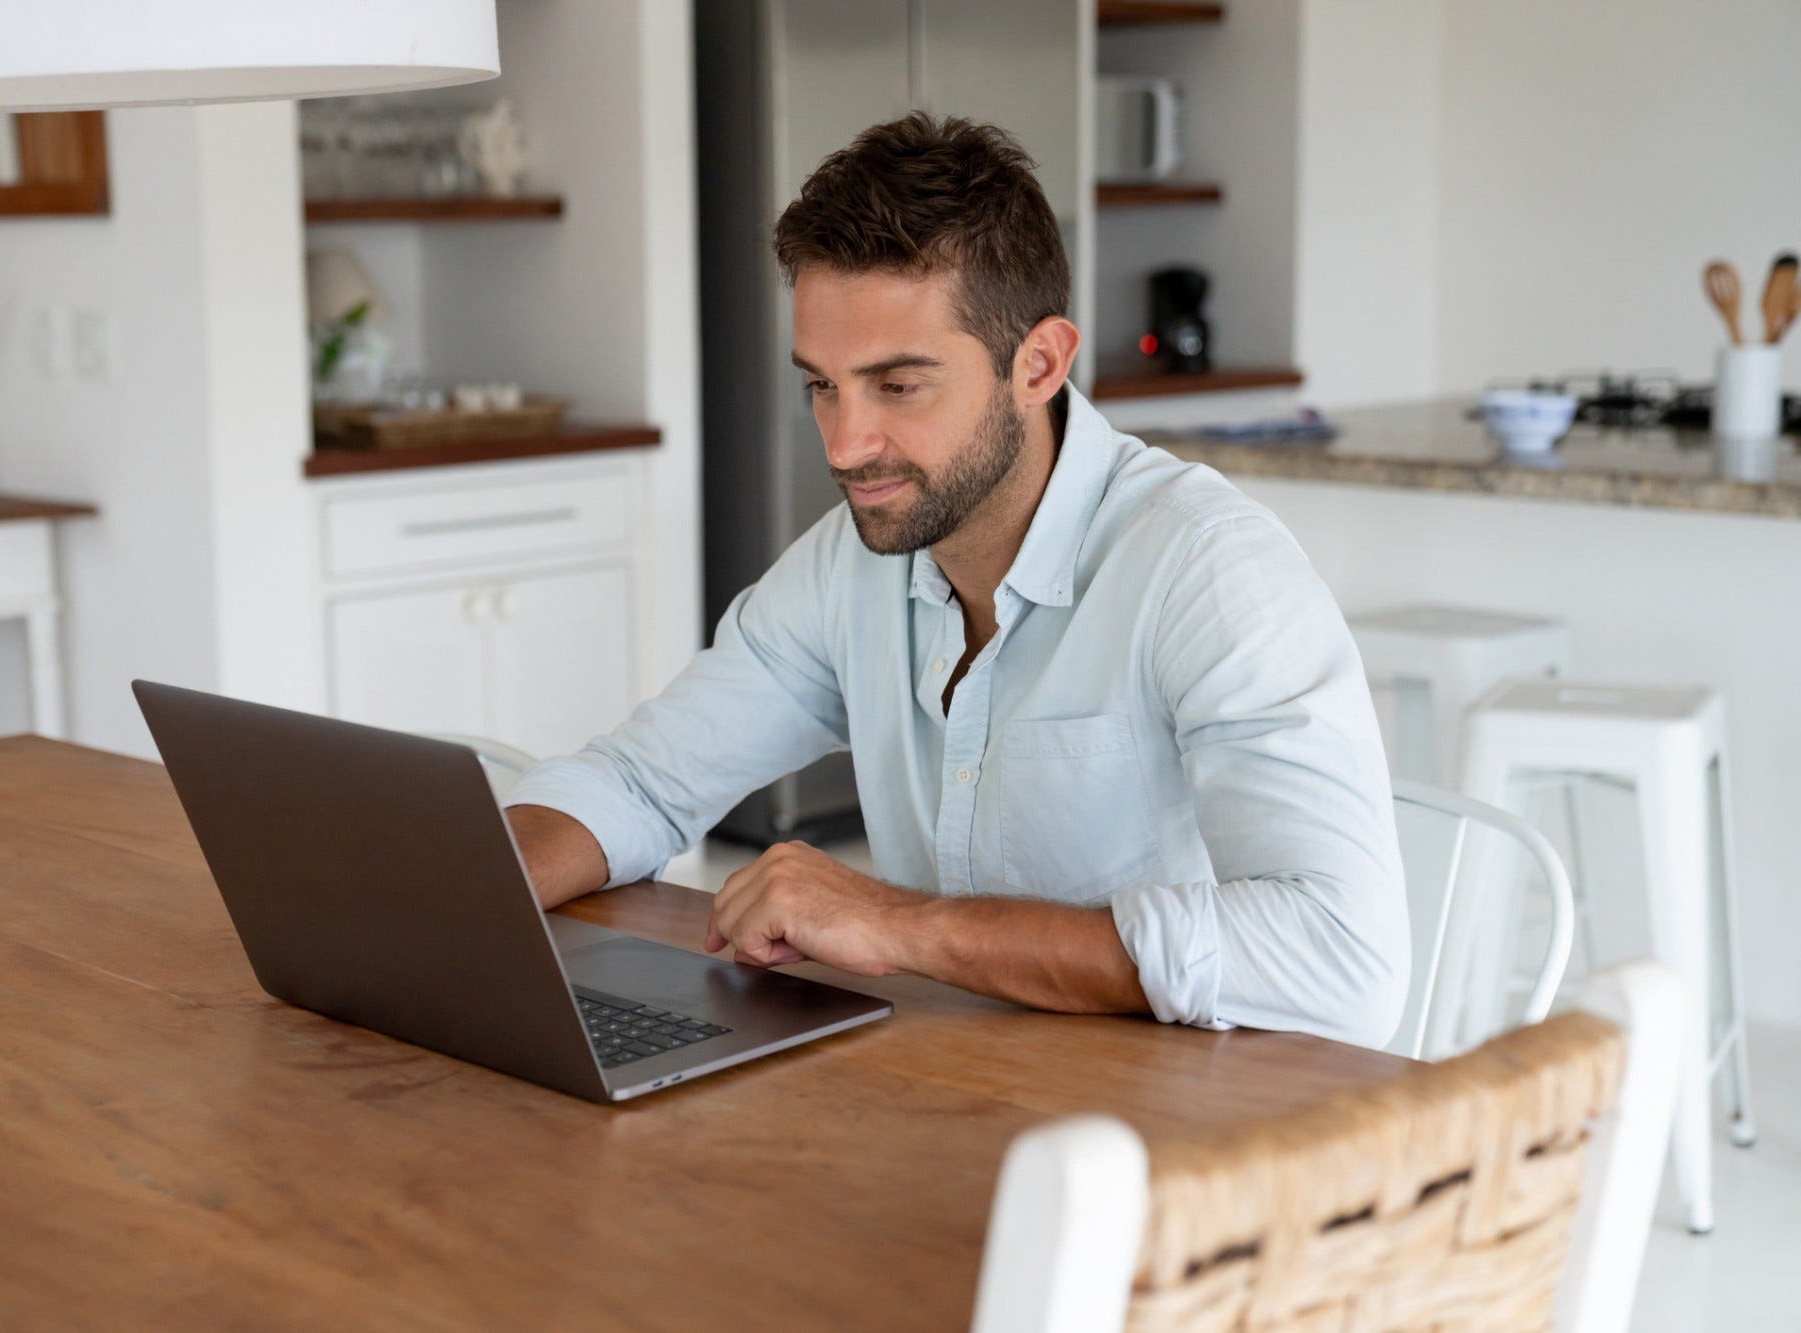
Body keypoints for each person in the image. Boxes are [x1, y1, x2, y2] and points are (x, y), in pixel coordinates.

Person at [504, 113, 1408, 1047]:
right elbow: (646, 783)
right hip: (953, 1091)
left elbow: (1346, 961)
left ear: (1040, 363)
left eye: (899, 385)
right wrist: (438, 901)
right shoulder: (849, 562)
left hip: (1181, 1135)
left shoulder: (1205, 569)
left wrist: (901, 924)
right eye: (822, 384)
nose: (846, 445)